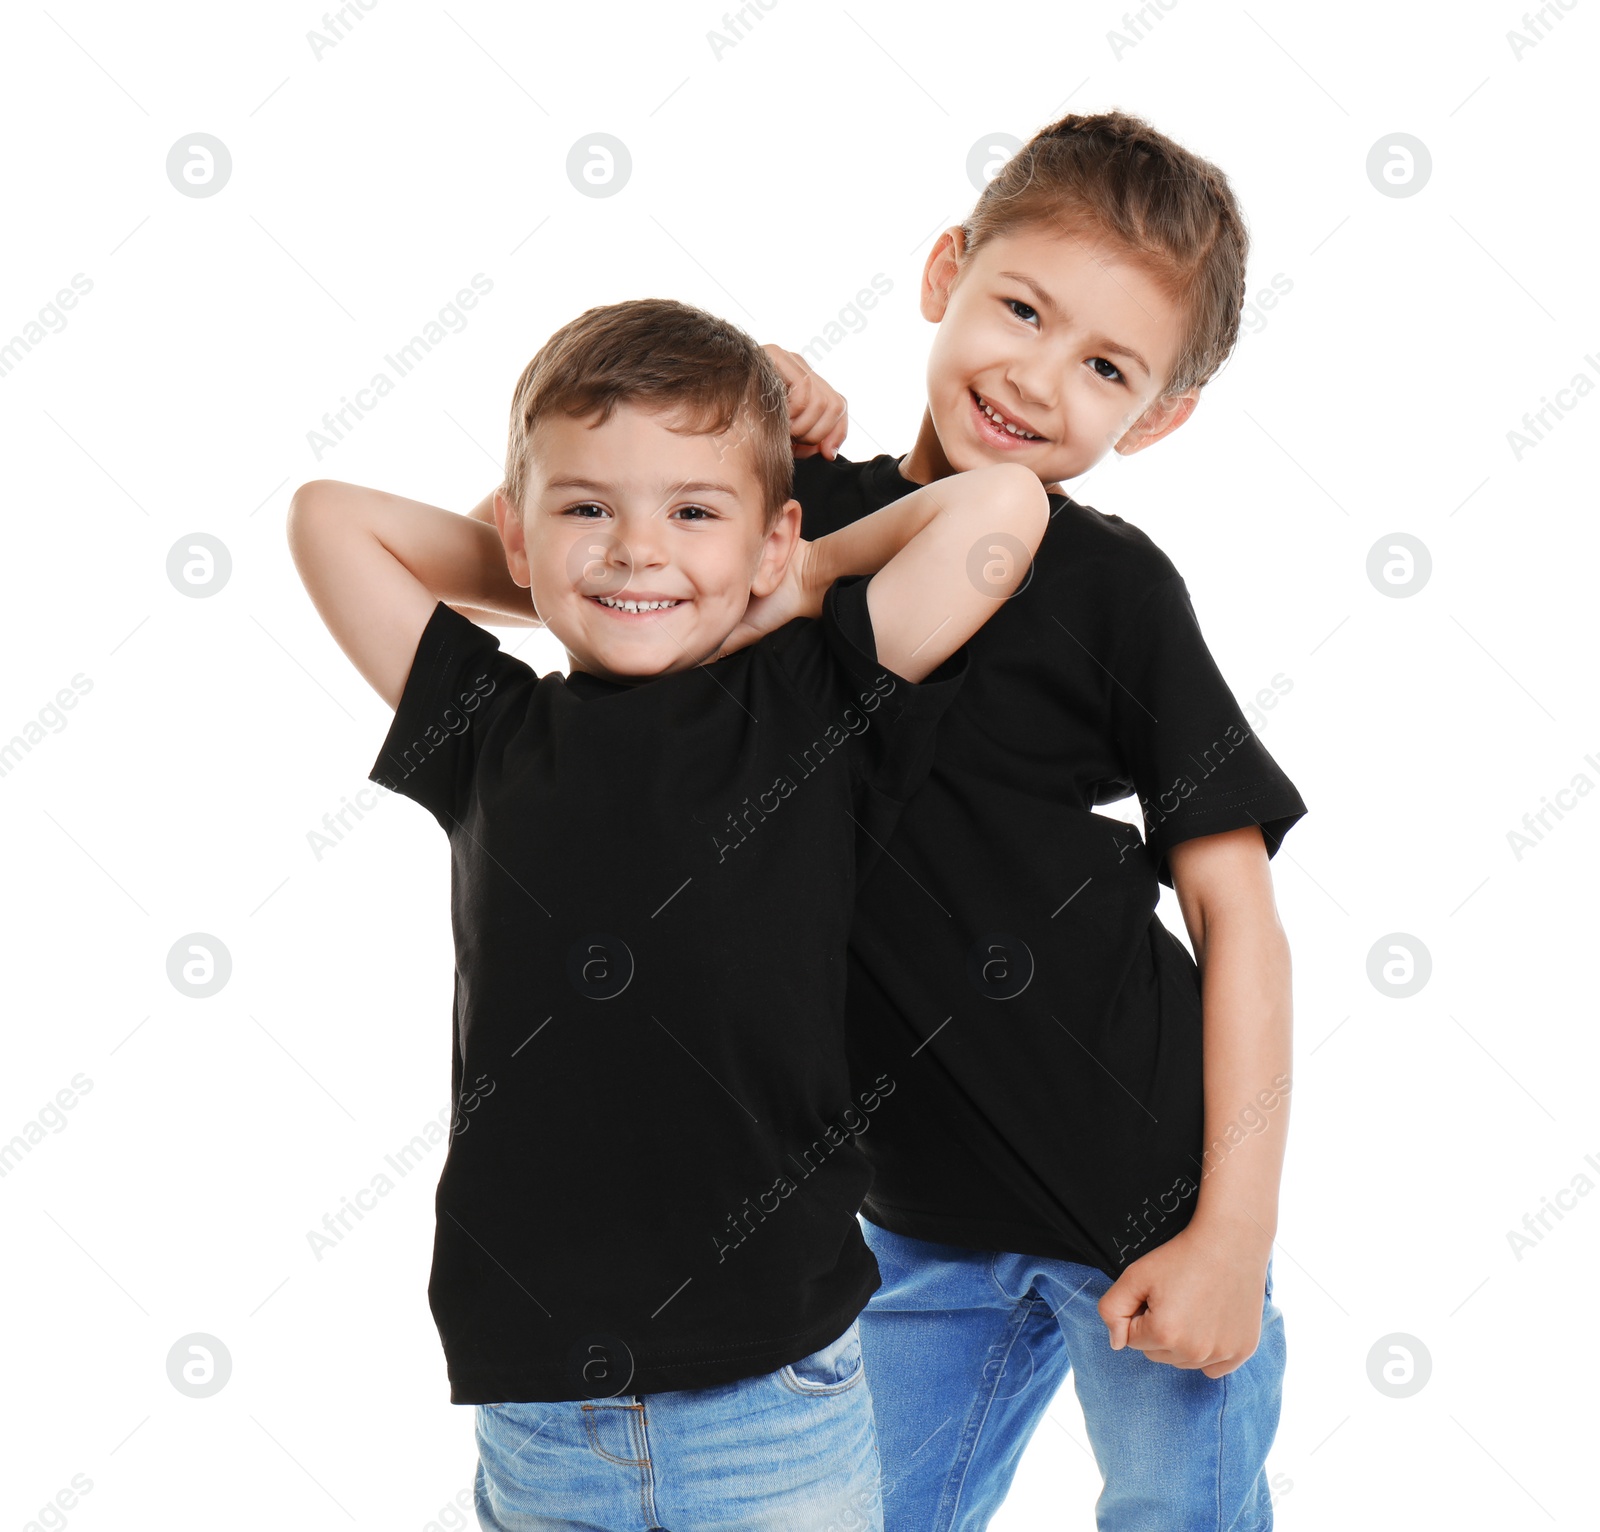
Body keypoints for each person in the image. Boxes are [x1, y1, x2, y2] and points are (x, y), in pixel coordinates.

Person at [449, 109, 1311, 1531]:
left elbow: (1239, 919)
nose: (1037, 378)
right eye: (1020, 309)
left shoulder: (1116, 596)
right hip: (905, 1225)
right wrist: (736, 418)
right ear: (944, 271)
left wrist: (1234, 1230)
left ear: (1156, 416)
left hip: (1145, 1187)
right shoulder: (782, 524)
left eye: (1105, 366)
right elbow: (551, 551)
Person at [285, 295, 1048, 1532]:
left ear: (774, 535)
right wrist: (576, 579)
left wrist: (788, 579)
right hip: (539, 1404)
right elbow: (331, 519)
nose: (639, 548)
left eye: (692, 510)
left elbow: (1000, 512)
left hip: (772, 1391)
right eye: (589, 506)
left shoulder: (810, 701)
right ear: (515, 533)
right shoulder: (487, 730)